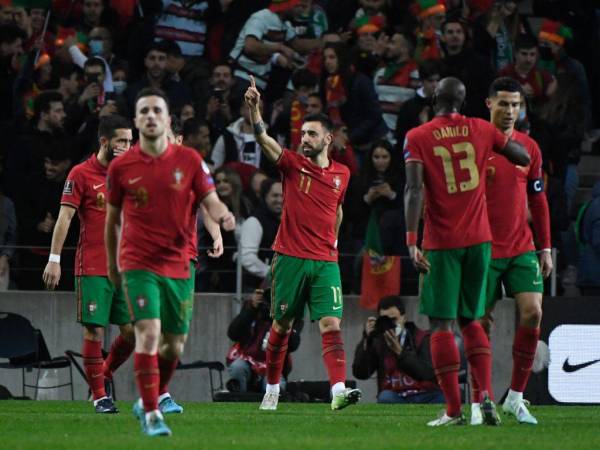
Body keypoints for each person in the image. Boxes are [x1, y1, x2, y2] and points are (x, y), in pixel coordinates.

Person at [105, 87, 235, 436]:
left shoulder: (190, 161)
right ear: (136, 121)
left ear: (166, 121)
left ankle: (151, 396)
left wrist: (223, 218)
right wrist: (112, 264)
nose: (150, 116)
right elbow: (112, 221)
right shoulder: (122, 167)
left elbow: (210, 200)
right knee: (149, 334)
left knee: (174, 343)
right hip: (138, 262)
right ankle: (151, 413)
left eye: (156, 111)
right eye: (143, 110)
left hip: (179, 262)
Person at [403, 76, 530, 426]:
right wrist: (500, 144)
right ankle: (486, 396)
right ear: (463, 100)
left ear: (433, 98)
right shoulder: (480, 129)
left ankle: (454, 410)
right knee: (472, 320)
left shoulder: (418, 136)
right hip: (480, 240)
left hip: (442, 243)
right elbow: (520, 155)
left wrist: (412, 239)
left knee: (441, 324)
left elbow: (413, 190)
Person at [245, 75, 362, 411]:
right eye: (303, 133)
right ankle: (271, 389)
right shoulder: (293, 166)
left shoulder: (343, 174)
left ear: (328, 138)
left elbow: (337, 210)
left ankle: (338, 389)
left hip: (326, 261)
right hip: (290, 257)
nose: (304, 138)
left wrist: (335, 241)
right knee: (281, 327)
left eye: (311, 134)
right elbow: (264, 140)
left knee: (331, 323)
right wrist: (255, 111)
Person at [42, 115, 134, 413]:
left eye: (131, 141)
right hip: (93, 265)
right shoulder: (80, 174)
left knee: (133, 333)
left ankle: (104, 373)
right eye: (121, 141)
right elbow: (65, 218)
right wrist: (54, 260)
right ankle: (99, 397)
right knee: (94, 331)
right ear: (104, 141)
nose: (127, 147)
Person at [475, 77, 552, 426]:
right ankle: (482, 400)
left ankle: (516, 399)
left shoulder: (529, 148)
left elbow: (538, 198)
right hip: (483, 248)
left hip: (522, 246)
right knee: (480, 324)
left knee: (533, 312)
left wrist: (545, 247)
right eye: (503, 103)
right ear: (489, 103)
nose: (509, 111)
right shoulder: (476, 145)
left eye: (515, 105)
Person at [352, 295, 444, 404]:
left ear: (404, 318)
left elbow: (427, 374)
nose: (391, 324)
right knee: (385, 397)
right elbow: (361, 373)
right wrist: (366, 339)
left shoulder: (422, 338)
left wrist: (400, 352)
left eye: (394, 319)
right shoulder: (378, 342)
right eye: (386, 320)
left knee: (442, 397)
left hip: (425, 393)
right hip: (395, 395)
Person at [226, 287, 303, 393]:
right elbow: (233, 334)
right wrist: (251, 309)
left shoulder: (292, 314)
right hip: (248, 360)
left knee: (273, 388)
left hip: (275, 364)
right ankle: (238, 401)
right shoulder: (254, 308)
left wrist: (283, 320)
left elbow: (293, 345)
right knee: (237, 368)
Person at [239, 178, 282, 290]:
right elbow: (246, 257)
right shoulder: (254, 221)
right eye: (275, 195)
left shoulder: (289, 221)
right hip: (255, 290)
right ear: (265, 197)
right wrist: (271, 272)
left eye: (283, 195)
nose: (280, 199)